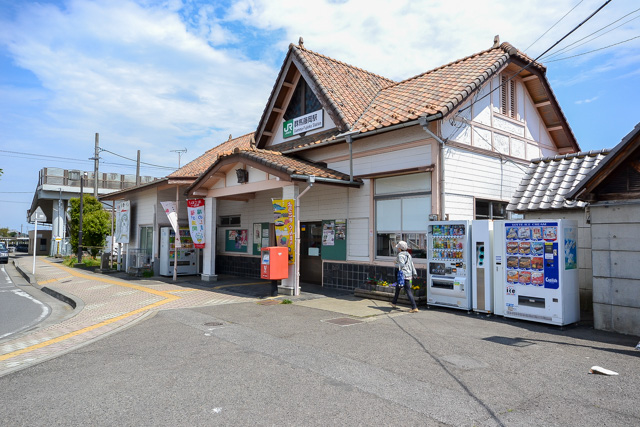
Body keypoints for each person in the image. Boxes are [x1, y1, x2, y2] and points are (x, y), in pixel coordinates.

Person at [391, 241, 419, 313]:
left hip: (403, 275)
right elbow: (412, 265)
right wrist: (414, 273)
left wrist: (395, 264)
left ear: (400, 248)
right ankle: (394, 302)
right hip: (409, 274)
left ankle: (414, 307)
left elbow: (402, 265)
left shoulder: (400, 255)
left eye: (398, 248)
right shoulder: (408, 255)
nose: (397, 249)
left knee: (408, 290)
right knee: (398, 287)